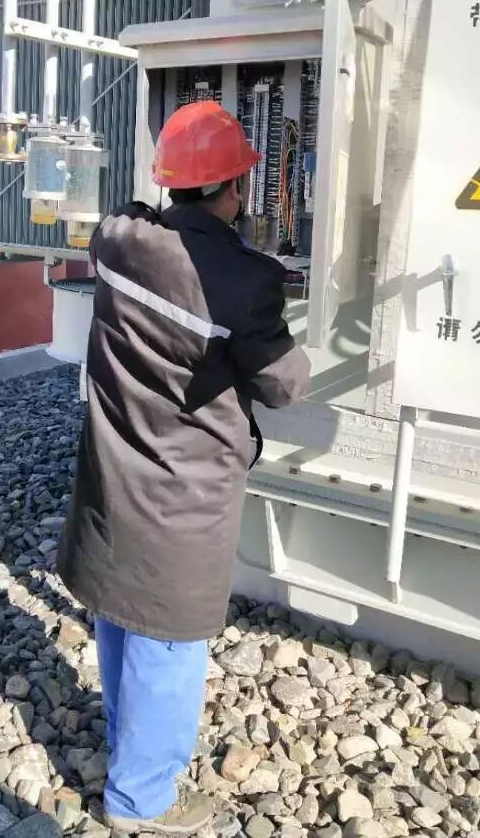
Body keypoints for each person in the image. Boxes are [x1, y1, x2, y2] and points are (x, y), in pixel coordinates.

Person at [58, 101, 311, 835]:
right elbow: (282, 385)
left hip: (116, 468)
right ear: (235, 187)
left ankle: (125, 744)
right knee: (169, 637)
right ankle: (142, 800)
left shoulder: (117, 240)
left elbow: (128, 215)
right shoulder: (246, 280)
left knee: (121, 609)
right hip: (186, 489)